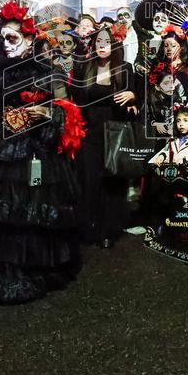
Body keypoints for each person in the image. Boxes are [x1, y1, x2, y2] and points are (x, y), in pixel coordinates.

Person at [0, 1, 85, 309]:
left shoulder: (46, 71)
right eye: (3, 39)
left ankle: (23, 272)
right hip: (1, 147)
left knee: (28, 213)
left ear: (29, 40)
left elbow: (66, 111)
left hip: (35, 151)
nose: (6, 45)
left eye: (13, 38)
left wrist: (48, 115)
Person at [72, 25, 139, 248]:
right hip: (89, 133)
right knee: (88, 181)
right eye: (98, 41)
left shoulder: (125, 68)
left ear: (114, 44)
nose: (102, 46)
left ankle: (108, 230)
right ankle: (88, 228)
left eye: (107, 42)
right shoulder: (85, 67)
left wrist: (132, 96)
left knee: (112, 183)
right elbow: (77, 101)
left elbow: (136, 97)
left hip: (115, 133)